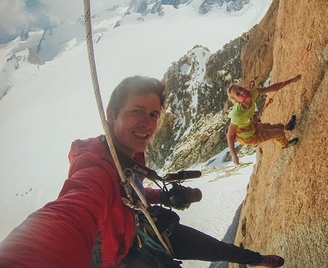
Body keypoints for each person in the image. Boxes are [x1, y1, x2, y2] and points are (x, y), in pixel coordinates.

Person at [0, 75, 284, 268]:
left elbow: (125, 193)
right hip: (123, 255)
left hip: (141, 228)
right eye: (137, 111)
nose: (147, 124)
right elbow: (74, 211)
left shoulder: (128, 153)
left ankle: (256, 259)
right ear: (111, 114)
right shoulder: (96, 167)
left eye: (153, 115)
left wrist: (162, 197)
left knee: (215, 247)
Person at [226, 75, 301, 165]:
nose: (242, 92)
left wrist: (291, 81)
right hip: (248, 137)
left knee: (276, 127)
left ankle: (286, 127)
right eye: (238, 94)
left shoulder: (252, 93)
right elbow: (230, 135)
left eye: (241, 88)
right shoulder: (237, 115)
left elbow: (272, 88)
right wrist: (234, 155)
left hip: (252, 126)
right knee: (278, 133)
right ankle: (285, 144)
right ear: (237, 101)